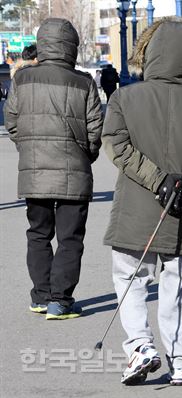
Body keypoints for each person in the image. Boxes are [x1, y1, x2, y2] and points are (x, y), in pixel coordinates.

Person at [101, 17, 182, 386]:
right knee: (179, 285)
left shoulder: (124, 98)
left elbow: (117, 145)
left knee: (130, 279)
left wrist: (157, 182)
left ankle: (140, 346)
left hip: (135, 210)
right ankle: (181, 361)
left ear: (150, 52)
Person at [3, 18, 103, 319]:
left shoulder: (22, 79)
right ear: (72, 46)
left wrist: (29, 148)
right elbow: (95, 130)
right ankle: (60, 300)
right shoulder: (84, 82)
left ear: (43, 43)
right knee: (70, 237)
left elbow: (12, 122)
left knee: (38, 233)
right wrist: (85, 156)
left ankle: (41, 296)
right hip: (74, 171)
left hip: (34, 171)